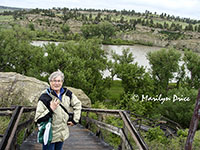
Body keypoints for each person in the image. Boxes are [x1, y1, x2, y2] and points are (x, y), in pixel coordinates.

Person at [35, 70, 82, 150]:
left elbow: (77, 104)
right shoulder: (45, 97)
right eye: (54, 81)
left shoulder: (68, 93)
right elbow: (38, 119)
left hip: (62, 134)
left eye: (59, 81)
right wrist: (51, 109)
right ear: (50, 82)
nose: (56, 83)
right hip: (49, 135)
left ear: (62, 82)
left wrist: (75, 120)